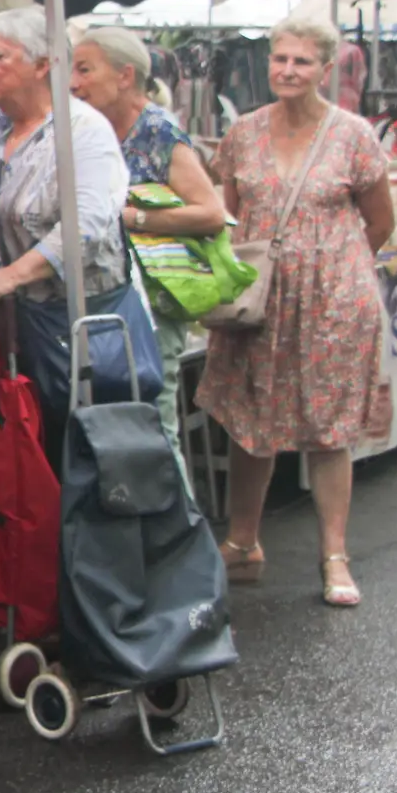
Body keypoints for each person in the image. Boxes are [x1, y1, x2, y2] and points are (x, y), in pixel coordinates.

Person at [196, 17, 394, 607]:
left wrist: (336, 269)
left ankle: (334, 556)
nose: (286, 70)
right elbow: (224, 219)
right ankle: (242, 542)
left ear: (325, 69)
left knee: (329, 430)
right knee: (251, 422)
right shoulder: (244, 133)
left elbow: (380, 223)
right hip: (259, 297)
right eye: (280, 59)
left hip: (334, 301)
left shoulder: (354, 135)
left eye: (301, 62)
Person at [0, 6, 134, 452]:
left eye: (1, 55)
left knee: (71, 452)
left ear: (43, 63)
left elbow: (87, 224)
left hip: (67, 333)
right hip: (0, 335)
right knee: (11, 455)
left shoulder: (82, 132)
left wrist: (9, 277)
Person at [71, 26, 227, 483]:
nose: (73, 82)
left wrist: (130, 218)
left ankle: (179, 547)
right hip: (104, 300)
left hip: (150, 307)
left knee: (153, 427)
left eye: (85, 69)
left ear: (124, 76)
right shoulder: (86, 129)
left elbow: (211, 212)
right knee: (113, 427)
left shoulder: (156, 131)